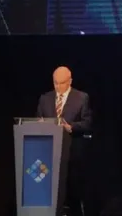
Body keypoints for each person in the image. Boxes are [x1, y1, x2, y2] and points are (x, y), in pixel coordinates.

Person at [36, 66, 93, 216]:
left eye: (61, 83)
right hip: (48, 154)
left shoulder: (81, 98)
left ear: (70, 81)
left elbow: (87, 123)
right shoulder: (45, 99)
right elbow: (38, 120)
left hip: (72, 153)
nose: (58, 87)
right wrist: (41, 124)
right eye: (55, 83)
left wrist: (70, 127)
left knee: (73, 191)